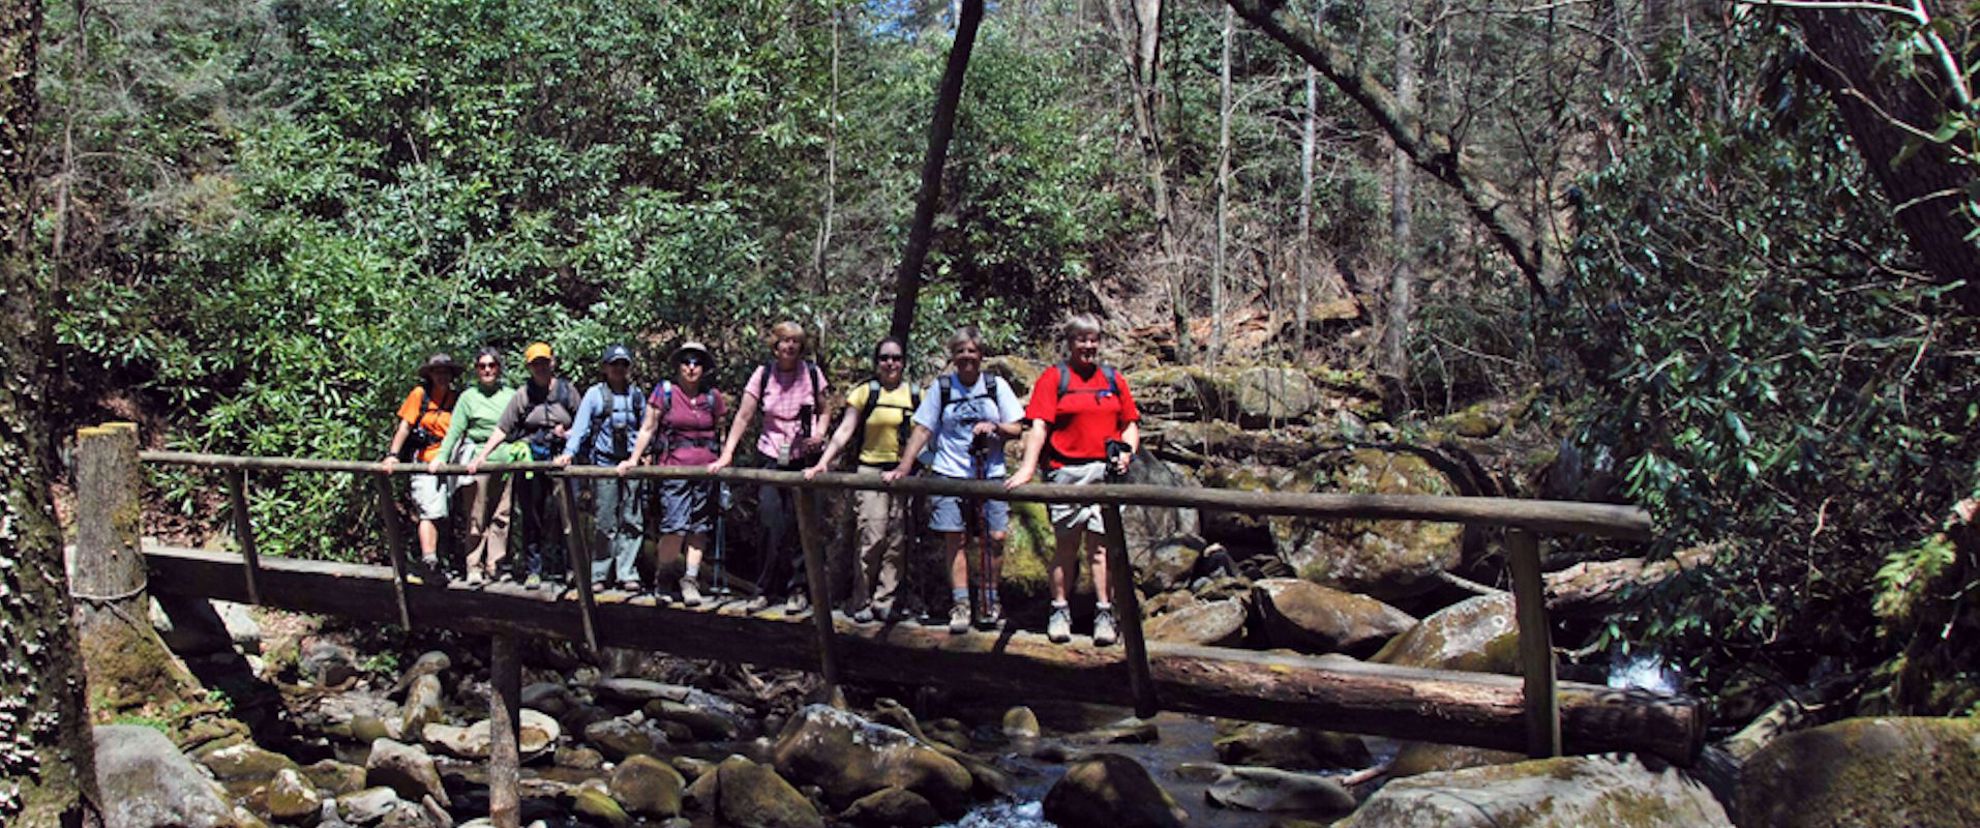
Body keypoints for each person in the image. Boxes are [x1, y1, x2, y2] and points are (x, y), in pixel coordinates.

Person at [1006, 313, 1141, 646]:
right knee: (1066, 546)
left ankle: (1104, 613)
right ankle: (1059, 609)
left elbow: (1130, 424)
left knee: (1101, 549)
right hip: (1066, 472)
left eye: (1093, 339)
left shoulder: (1112, 379)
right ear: (1069, 343)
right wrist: (1027, 468)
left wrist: (1127, 452)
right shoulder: (1055, 379)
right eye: (1082, 339)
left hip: (1105, 474)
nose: (1088, 346)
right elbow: (1039, 426)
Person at [884, 326, 1024, 634]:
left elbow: (1017, 427)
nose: (966, 357)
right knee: (954, 538)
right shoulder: (943, 387)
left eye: (971, 351)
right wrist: (904, 467)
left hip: (990, 473)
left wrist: (994, 427)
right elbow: (922, 428)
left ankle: (990, 601)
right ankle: (961, 604)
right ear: (953, 356)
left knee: (995, 539)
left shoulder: (995, 385)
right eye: (960, 352)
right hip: (950, 472)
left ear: (981, 355)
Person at [710, 321, 830, 614]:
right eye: (784, 341)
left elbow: (825, 410)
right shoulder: (763, 375)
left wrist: (820, 434)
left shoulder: (812, 374)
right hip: (771, 455)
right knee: (770, 522)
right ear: (774, 345)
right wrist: (727, 454)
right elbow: (743, 416)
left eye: (795, 342)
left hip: (804, 458)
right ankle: (764, 589)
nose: (789, 346)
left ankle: (798, 589)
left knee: (801, 525)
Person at [806, 336, 919, 622]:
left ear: (904, 362)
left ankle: (886, 599)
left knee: (897, 540)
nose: (890, 363)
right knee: (871, 536)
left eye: (896, 358)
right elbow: (845, 430)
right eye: (884, 358)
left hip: (903, 472)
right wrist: (824, 462)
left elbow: (925, 434)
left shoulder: (916, 395)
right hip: (869, 472)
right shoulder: (864, 393)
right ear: (876, 362)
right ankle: (863, 599)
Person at [622, 341, 726, 606]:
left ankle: (690, 580)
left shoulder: (712, 397)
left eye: (697, 362)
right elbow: (648, 427)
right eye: (687, 361)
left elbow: (721, 433)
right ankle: (664, 579)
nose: (692, 367)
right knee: (674, 526)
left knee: (699, 527)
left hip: (706, 470)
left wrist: (724, 461)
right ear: (678, 365)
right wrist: (634, 459)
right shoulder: (665, 392)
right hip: (674, 468)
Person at [469, 341, 578, 590]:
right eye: (535, 364)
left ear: (552, 363)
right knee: (532, 515)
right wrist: (482, 456)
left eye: (544, 362)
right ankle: (534, 570)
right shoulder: (523, 395)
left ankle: (571, 568)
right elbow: (503, 428)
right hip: (531, 457)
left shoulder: (567, 391)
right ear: (529, 367)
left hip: (561, 458)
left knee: (567, 515)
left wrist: (568, 435)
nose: (540, 367)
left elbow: (583, 425)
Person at [557, 344, 647, 593]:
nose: (619, 369)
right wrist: (568, 453)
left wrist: (646, 454)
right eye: (614, 364)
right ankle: (599, 573)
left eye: (623, 364)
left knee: (632, 518)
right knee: (605, 519)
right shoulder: (594, 395)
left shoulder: (637, 396)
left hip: (632, 463)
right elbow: (581, 427)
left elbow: (647, 429)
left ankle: (627, 572)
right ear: (605, 367)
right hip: (605, 462)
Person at [432, 347, 517, 585]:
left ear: (499, 368)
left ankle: (496, 565)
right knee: (476, 515)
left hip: (505, 459)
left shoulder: (511, 394)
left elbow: (520, 425)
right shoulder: (468, 397)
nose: (487, 370)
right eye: (482, 366)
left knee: (502, 514)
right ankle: (474, 566)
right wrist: (442, 457)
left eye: (492, 365)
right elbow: (454, 431)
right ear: (476, 370)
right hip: (476, 461)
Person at [382, 353, 460, 576]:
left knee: (445, 512)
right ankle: (429, 560)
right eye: (437, 371)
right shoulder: (420, 395)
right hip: (425, 460)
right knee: (429, 509)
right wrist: (393, 454)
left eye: (446, 372)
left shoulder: (457, 399)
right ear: (430, 374)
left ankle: (444, 560)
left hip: (450, 460)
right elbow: (405, 426)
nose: (441, 376)